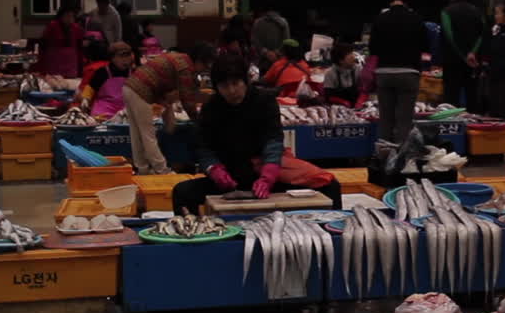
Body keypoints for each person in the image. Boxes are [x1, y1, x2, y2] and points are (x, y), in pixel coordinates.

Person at [172, 53, 341, 214]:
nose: (231, 91)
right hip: (229, 179)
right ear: (216, 88)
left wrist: (269, 173)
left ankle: (333, 229)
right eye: (224, 86)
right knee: (181, 193)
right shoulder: (210, 109)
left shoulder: (264, 101)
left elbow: (273, 139)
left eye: (236, 83)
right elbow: (203, 147)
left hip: (267, 173)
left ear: (245, 81)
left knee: (329, 184)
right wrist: (213, 169)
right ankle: (194, 235)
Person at [122, 43, 216, 174]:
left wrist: (167, 106)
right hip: (140, 91)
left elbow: (163, 85)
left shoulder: (180, 58)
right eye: (205, 65)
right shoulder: (185, 66)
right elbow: (187, 97)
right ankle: (162, 170)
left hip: (129, 87)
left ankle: (142, 168)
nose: (204, 70)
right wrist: (197, 120)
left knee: (137, 134)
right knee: (147, 135)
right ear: (199, 60)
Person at [369, 0, 429, 143]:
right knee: (404, 120)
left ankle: (383, 158)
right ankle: (401, 160)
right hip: (409, 73)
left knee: (386, 119)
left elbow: (373, 49)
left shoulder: (380, 19)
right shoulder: (416, 19)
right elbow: (425, 46)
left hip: (384, 73)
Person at [440, 0, 484, 112]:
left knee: (451, 99)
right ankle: (473, 128)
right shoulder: (477, 11)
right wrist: (472, 53)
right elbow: (482, 35)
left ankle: (452, 129)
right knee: (472, 98)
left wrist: (464, 56)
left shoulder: (446, 11)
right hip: (474, 62)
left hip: (452, 62)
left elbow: (450, 37)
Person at [81, 41, 134, 119]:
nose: (125, 60)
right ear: (112, 58)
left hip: (125, 113)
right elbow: (91, 88)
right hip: (102, 114)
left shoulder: (133, 73)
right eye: (121, 56)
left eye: (127, 56)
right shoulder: (102, 72)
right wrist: (85, 99)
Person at [36, 5, 84, 77]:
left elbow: (79, 47)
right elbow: (43, 45)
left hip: (71, 64)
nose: (70, 18)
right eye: (67, 15)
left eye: (72, 16)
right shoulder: (52, 26)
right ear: (61, 16)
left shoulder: (76, 28)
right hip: (54, 63)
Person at [321, 42, 364, 108]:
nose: (353, 56)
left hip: (357, 107)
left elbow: (364, 90)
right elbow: (328, 97)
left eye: (352, 53)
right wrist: (341, 102)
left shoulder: (359, 69)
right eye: (349, 54)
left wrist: (360, 102)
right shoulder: (330, 73)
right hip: (339, 108)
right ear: (341, 60)